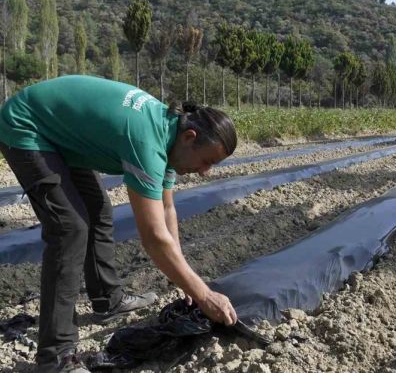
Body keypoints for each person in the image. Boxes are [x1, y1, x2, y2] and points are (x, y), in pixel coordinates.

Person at [0, 75, 238, 373]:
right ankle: (55, 357)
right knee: (70, 228)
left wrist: (186, 282)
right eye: (206, 161)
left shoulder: (170, 135)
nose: (204, 172)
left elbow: (167, 210)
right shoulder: (147, 142)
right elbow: (153, 236)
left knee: (98, 211)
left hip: (59, 135)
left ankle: (107, 300)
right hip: (27, 126)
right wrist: (204, 294)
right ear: (190, 137)